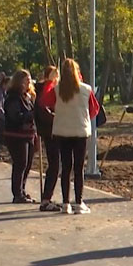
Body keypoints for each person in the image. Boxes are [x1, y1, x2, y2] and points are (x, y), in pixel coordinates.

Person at [43, 59, 100, 214]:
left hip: (62, 131)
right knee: (79, 168)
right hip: (81, 131)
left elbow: (45, 102)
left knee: (66, 167)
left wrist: (50, 81)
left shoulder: (57, 89)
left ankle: (65, 203)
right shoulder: (86, 89)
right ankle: (79, 202)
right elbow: (95, 109)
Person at [2, 69, 38, 204]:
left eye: (29, 80)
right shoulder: (13, 97)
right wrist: (32, 115)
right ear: (19, 81)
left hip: (28, 135)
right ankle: (17, 194)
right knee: (20, 164)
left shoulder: (26, 97)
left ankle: (22, 190)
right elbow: (15, 116)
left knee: (28, 164)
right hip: (16, 135)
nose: (29, 82)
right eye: (26, 80)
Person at [34, 66, 62, 212]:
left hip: (51, 129)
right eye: (55, 74)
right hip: (50, 130)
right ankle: (46, 199)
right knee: (55, 164)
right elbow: (43, 110)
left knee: (56, 164)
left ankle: (47, 197)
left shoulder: (48, 87)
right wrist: (58, 118)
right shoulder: (44, 88)